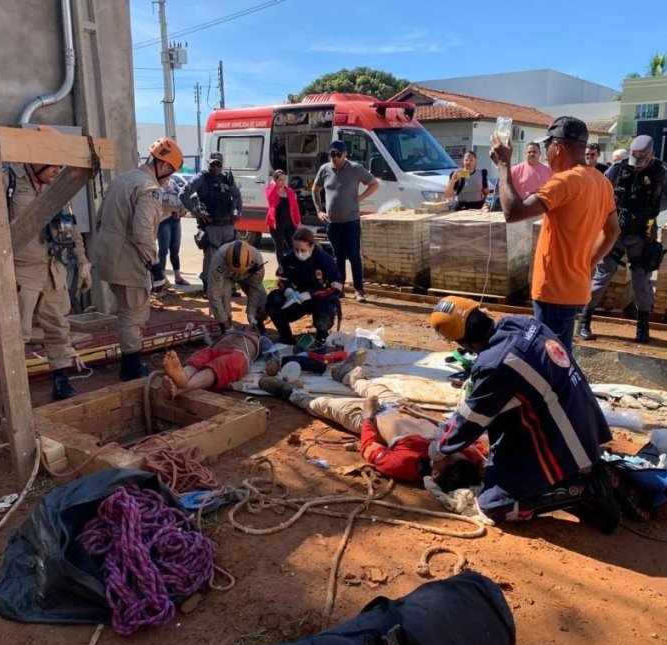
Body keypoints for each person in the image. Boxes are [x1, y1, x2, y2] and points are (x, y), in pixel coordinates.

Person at [427, 296, 621, 533]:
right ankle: (579, 471)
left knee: (495, 506)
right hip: (584, 422)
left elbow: (470, 420)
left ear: (462, 342)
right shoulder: (522, 323)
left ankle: (582, 488)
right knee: (502, 450)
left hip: (567, 438)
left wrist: (438, 449)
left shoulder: (495, 364)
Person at [0, 125, 92, 401]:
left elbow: (71, 226)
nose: (58, 169)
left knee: (58, 327)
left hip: (53, 269)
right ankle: (14, 392)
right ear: (36, 156)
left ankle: (61, 379)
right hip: (21, 273)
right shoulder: (6, 180)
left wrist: (82, 262)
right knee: (16, 334)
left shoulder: (57, 187)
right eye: (54, 163)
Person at [259, 350, 485, 490]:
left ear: (435, 473)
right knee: (371, 386)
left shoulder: (404, 464)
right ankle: (348, 375)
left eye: (446, 457)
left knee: (322, 405)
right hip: (401, 405)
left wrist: (368, 416)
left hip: (371, 419)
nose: (446, 449)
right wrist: (418, 411)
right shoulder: (467, 454)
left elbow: (369, 448)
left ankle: (288, 392)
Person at [490, 116, 620, 352]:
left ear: (558, 148)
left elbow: (512, 212)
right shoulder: (602, 182)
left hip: (553, 291)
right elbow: (612, 232)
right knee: (559, 354)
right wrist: (586, 263)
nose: (546, 153)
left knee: (551, 361)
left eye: (547, 146)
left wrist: (503, 166)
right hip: (575, 287)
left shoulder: (563, 182)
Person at [578, 135, 667, 344]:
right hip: (615, 232)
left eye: (642, 160)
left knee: (641, 281)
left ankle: (643, 327)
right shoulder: (618, 169)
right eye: (634, 159)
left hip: (643, 235)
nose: (637, 165)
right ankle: (584, 320)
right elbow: (596, 192)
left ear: (651, 155)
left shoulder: (663, 173)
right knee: (602, 276)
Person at [95, 136, 183, 380]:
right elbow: (143, 232)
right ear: (163, 166)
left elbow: (100, 218)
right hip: (128, 261)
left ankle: (129, 361)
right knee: (133, 315)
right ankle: (131, 367)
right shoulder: (149, 189)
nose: (168, 180)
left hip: (107, 258)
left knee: (125, 310)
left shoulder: (123, 179)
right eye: (170, 174)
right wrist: (154, 266)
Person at [312, 139, 379, 303]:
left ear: (345, 154)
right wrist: (319, 211)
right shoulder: (325, 169)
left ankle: (359, 290)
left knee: (354, 256)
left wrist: (360, 198)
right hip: (333, 222)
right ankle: (339, 288)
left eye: (338, 155)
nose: (335, 158)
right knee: (338, 257)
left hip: (351, 222)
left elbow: (374, 184)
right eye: (332, 154)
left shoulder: (355, 169)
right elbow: (315, 188)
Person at [265, 227, 342, 345]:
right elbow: (281, 279)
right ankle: (286, 337)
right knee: (273, 299)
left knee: (323, 320)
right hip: (296, 299)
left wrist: (311, 294)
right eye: (296, 249)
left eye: (302, 250)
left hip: (321, 299)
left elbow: (337, 288)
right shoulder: (289, 259)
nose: (299, 253)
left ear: (312, 246)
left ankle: (322, 335)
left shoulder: (325, 260)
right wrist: (287, 290)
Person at [185, 151, 243, 296]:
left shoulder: (227, 179)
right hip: (211, 226)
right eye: (213, 164)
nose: (216, 167)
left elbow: (237, 195)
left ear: (222, 165)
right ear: (209, 164)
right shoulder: (201, 179)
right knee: (211, 258)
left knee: (230, 257)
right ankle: (208, 288)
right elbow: (183, 194)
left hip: (228, 225)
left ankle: (229, 287)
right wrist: (196, 211)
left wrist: (238, 212)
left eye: (218, 164)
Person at [160, 329, 268, 398]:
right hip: (214, 349)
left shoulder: (262, 339)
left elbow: (274, 355)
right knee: (199, 358)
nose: (248, 325)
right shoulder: (230, 331)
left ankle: (182, 387)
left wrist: (274, 363)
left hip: (237, 352)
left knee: (220, 365)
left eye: (253, 326)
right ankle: (183, 376)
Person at [206, 240, 267, 333]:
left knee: (262, 303)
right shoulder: (219, 259)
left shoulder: (257, 260)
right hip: (227, 276)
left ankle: (258, 325)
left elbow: (255, 288)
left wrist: (251, 313)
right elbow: (213, 293)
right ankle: (226, 328)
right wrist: (225, 322)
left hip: (248, 275)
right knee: (222, 295)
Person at [264, 169, 302, 267]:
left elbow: (295, 207)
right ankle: (281, 268)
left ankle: (296, 266)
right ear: (275, 180)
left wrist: (298, 222)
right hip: (276, 224)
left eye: (284, 180)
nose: (282, 182)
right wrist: (273, 185)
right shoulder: (270, 190)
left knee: (293, 246)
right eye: (280, 180)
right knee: (279, 247)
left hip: (289, 223)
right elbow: (270, 199)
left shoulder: (289, 191)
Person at [157, 176, 187, 286]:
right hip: (163, 220)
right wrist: (174, 209)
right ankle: (162, 277)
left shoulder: (173, 183)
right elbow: (158, 203)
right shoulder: (156, 184)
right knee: (163, 250)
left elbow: (181, 196)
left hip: (176, 220)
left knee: (175, 249)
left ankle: (177, 276)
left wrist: (182, 208)